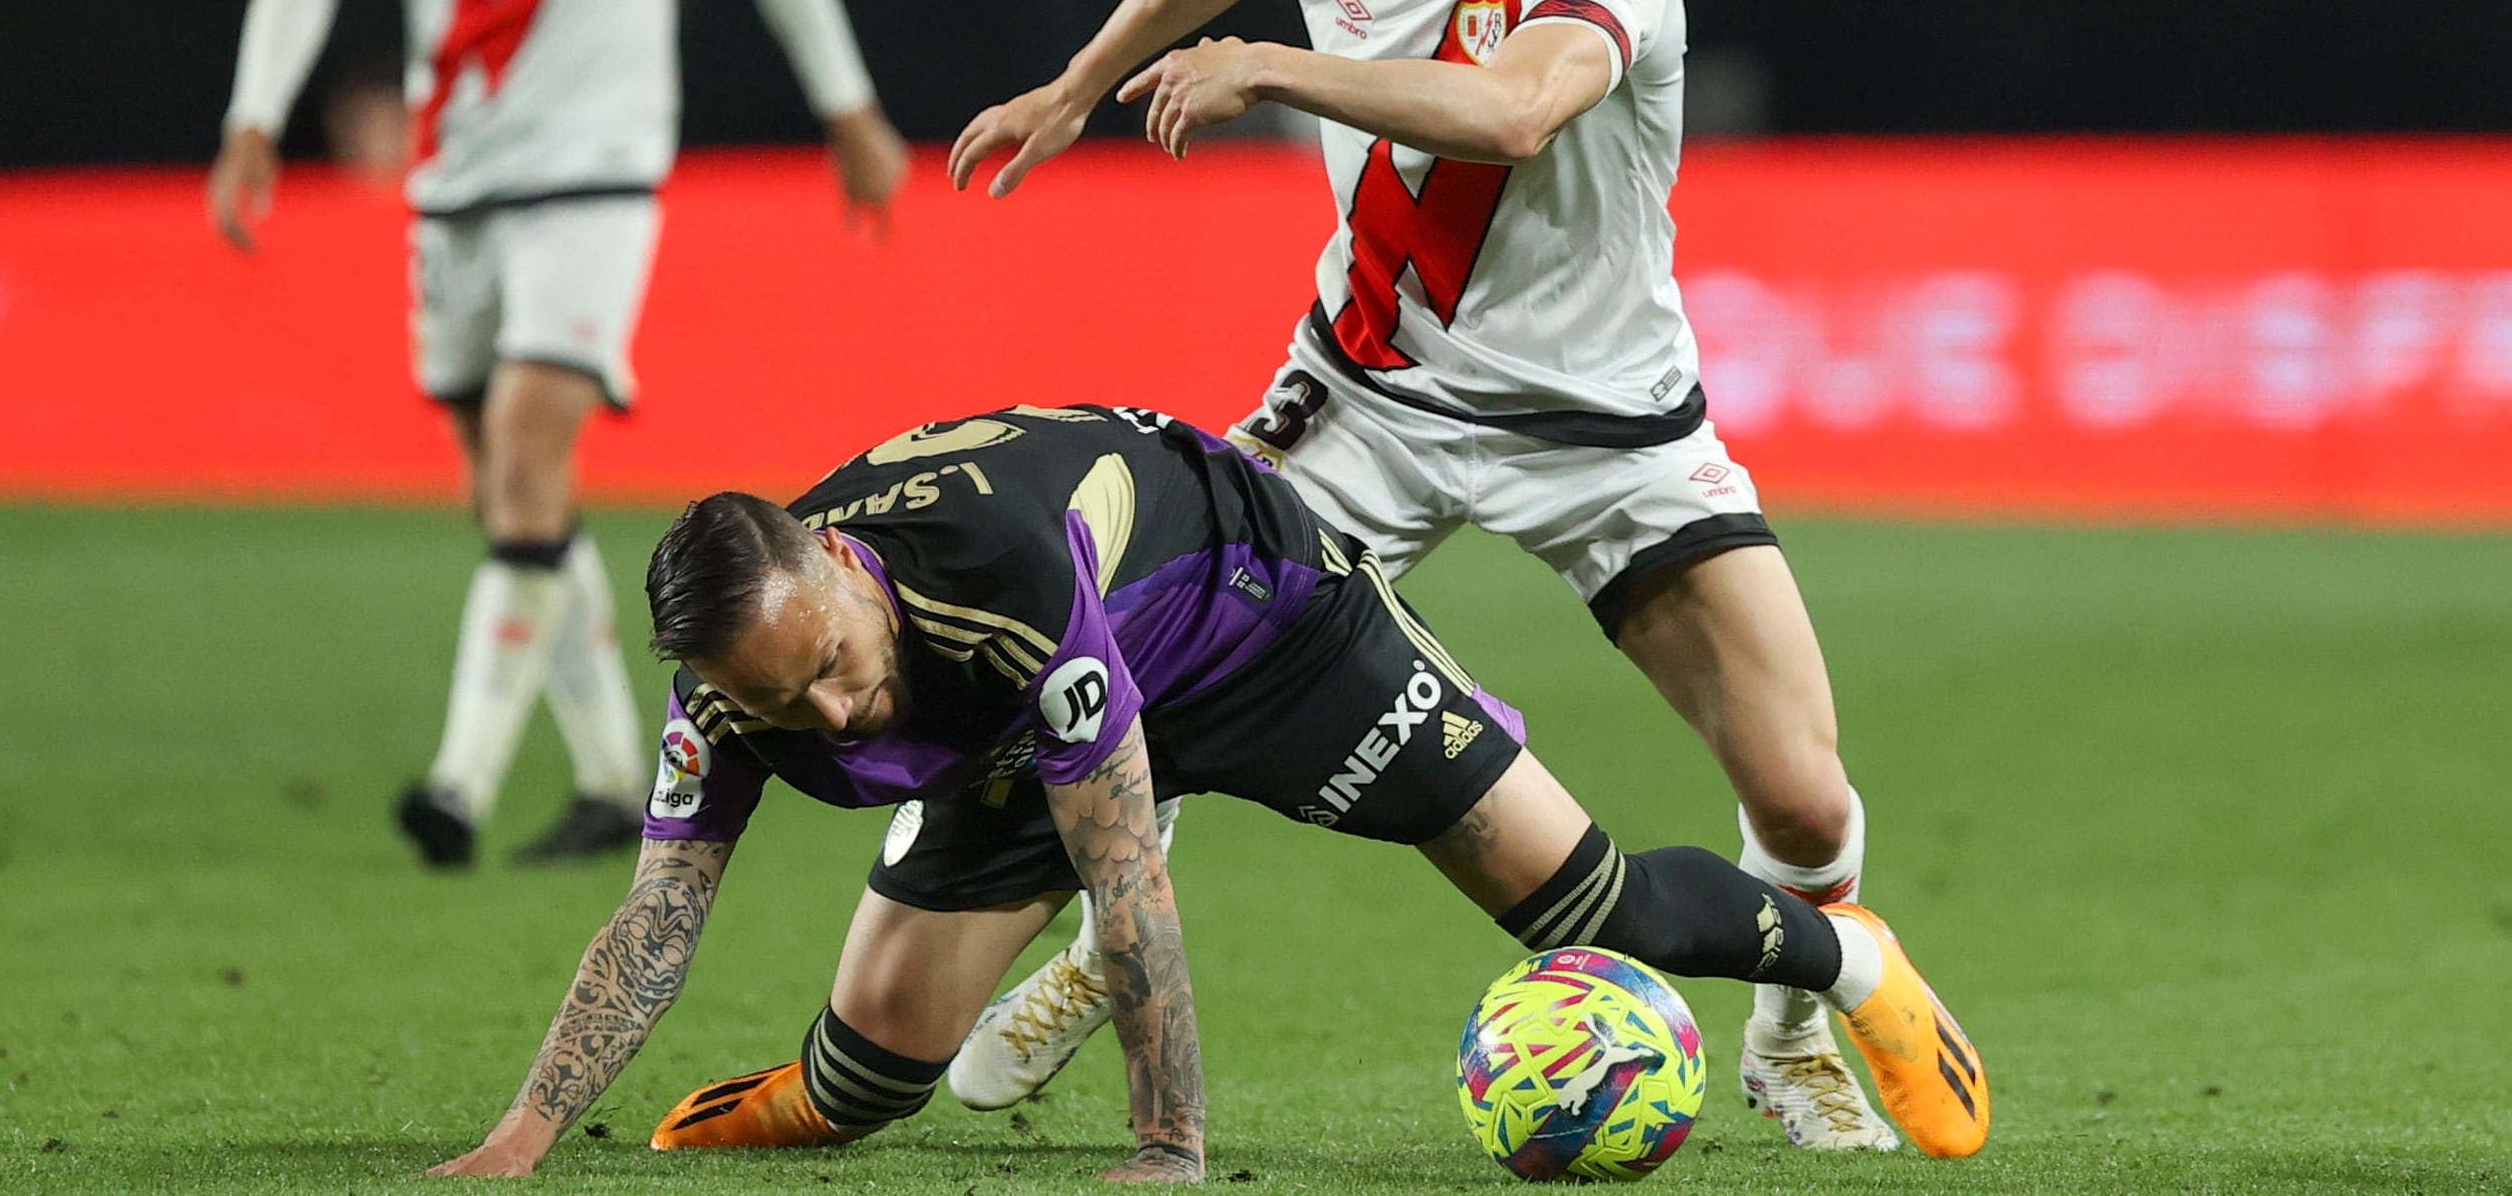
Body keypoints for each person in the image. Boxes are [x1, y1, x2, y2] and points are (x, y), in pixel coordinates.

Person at [948, 0, 1909, 1149]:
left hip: (1608, 433)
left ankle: (1788, 1037)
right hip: (1366, 405)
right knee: (1135, 666)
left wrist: (1271, 67)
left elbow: (1515, 109)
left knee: (1800, 796)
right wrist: (1078, 82)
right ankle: (1103, 949)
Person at [422, 402, 1988, 1180]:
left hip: (1270, 624)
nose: (831, 711)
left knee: (1590, 905)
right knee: (868, 1084)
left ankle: (1854, 959)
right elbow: (659, 910)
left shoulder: (990, 577)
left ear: (839, 560)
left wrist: (1166, 1145)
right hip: (1021, 723)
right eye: (785, 702)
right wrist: (523, 1132)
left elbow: (1128, 876)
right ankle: (829, 1085)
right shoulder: (733, 686)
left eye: (829, 663)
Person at [206, 0, 908, 868]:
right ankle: (605, 776)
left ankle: (457, 785)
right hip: (453, 179)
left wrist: (846, 103)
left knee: (527, 461)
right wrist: (251, 117)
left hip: (595, 171)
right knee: (511, 499)